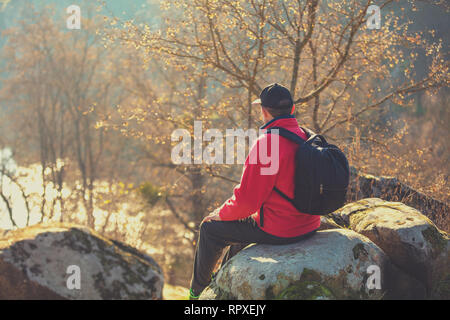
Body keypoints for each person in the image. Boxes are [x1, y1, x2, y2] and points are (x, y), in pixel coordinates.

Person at [189, 83, 321, 300]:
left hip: (282, 229)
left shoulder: (268, 144)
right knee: (240, 231)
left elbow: (246, 203)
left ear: (264, 111)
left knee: (210, 229)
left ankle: (197, 295)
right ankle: (224, 283)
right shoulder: (305, 135)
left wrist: (218, 214)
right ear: (292, 109)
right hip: (309, 224)